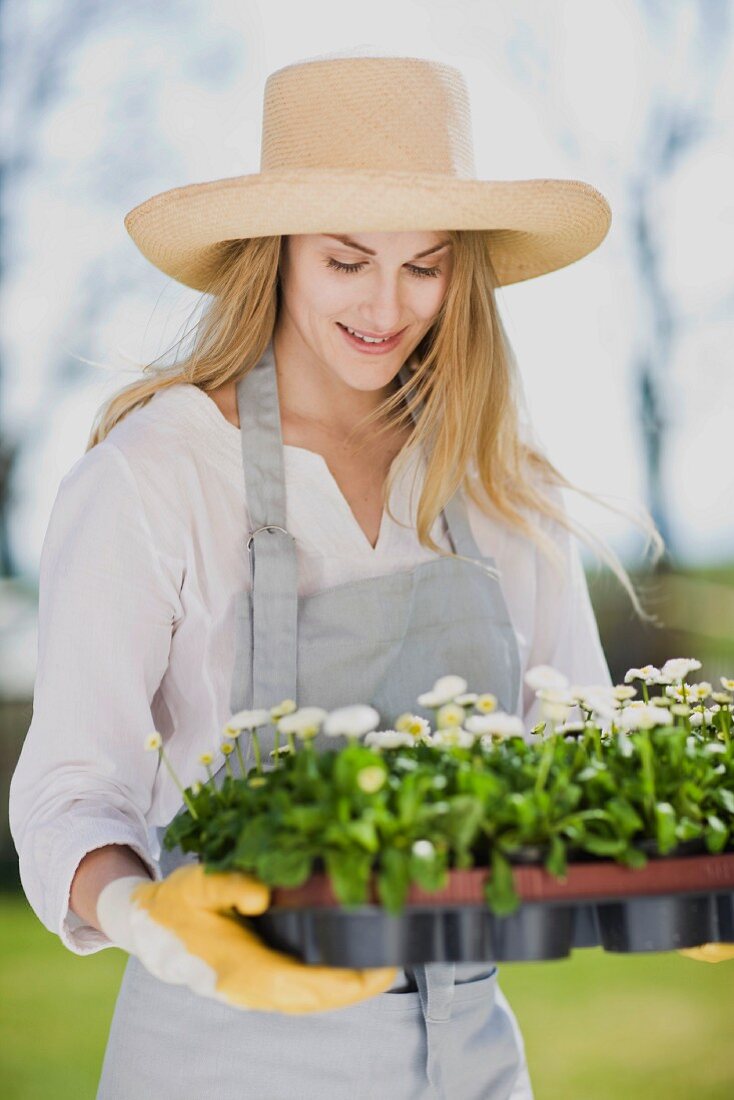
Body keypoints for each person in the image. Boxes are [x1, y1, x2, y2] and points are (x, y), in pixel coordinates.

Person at [9, 51, 697, 1100]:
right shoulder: (154, 476)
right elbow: (67, 791)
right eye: (345, 261)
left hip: (472, 1052)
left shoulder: (491, 481)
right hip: (222, 1049)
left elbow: (577, 749)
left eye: (424, 265)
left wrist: (680, 866)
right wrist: (146, 914)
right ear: (274, 254)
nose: (389, 304)